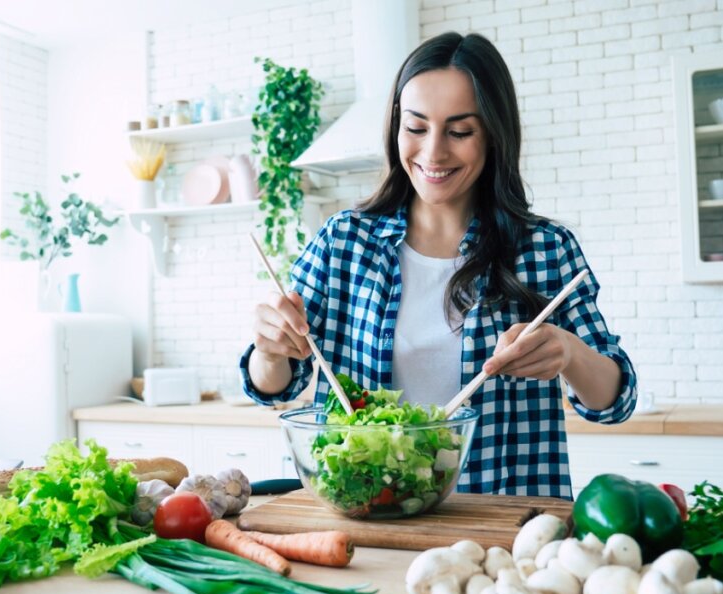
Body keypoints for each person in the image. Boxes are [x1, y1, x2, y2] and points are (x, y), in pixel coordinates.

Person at [240, 32, 637, 500]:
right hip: (367, 519)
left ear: (494, 134)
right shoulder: (343, 241)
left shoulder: (546, 249)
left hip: (502, 524)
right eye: (416, 127)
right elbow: (276, 389)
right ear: (396, 129)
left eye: (460, 131)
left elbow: (615, 401)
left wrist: (569, 353)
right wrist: (269, 350)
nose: (433, 153)